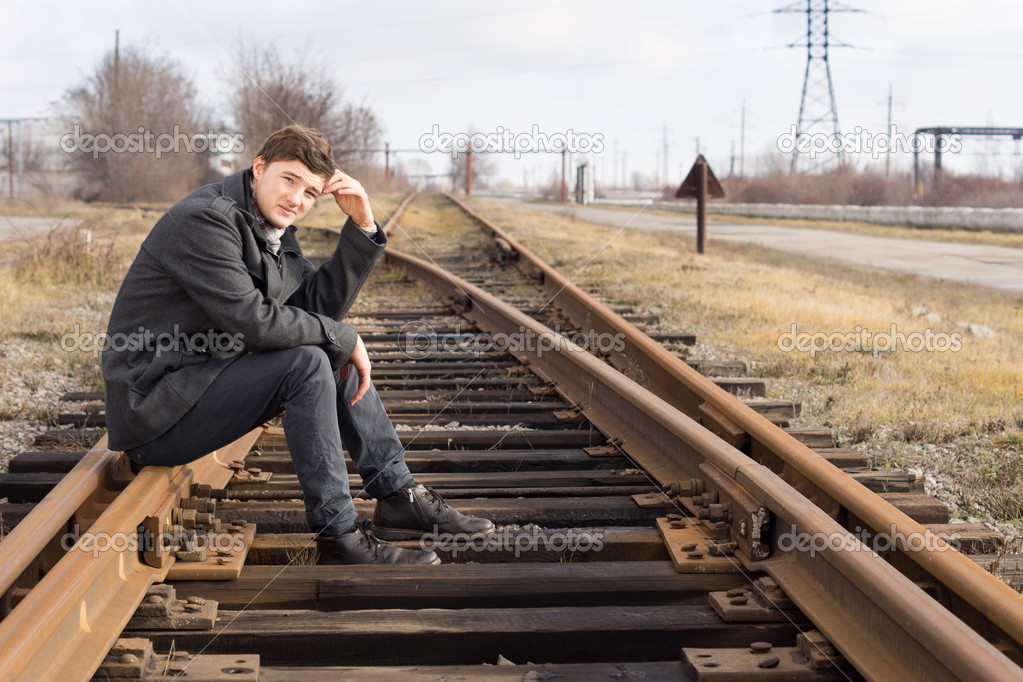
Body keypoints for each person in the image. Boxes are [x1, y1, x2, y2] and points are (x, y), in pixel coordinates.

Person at [101, 124, 494, 565]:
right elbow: (255, 322)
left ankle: (398, 496)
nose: (296, 199)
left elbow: (312, 309)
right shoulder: (204, 220)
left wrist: (362, 227)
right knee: (310, 359)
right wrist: (343, 337)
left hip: (199, 382)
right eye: (289, 180)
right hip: (155, 411)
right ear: (259, 167)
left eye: (310, 192)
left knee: (325, 346)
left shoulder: (271, 226)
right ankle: (339, 536)